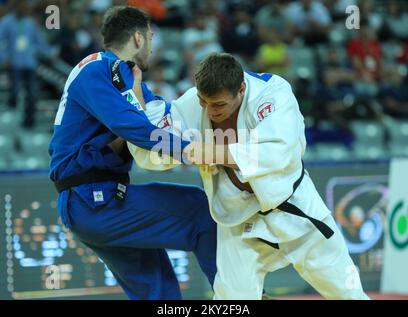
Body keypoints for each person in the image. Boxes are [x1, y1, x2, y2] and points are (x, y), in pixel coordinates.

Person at [129, 53, 370, 300]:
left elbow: (277, 152)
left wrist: (213, 152)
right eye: (204, 102)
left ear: (241, 89)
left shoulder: (272, 92)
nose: (210, 111)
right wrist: (134, 92)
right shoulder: (194, 102)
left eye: (219, 105)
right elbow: (149, 147)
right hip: (238, 222)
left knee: (349, 294)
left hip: (296, 212)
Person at [48, 6, 216, 300]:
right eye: (151, 38)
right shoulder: (98, 68)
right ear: (138, 38)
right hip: (93, 200)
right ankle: (240, 295)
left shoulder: (126, 79)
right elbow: (130, 126)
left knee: (159, 292)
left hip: (99, 199)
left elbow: (163, 116)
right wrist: (190, 150)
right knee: (201, 211)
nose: (153, 46)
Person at [0, 1, 53, 128]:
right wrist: (4, 57)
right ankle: (11, 117)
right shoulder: (6, 22)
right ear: (17, 6)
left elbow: (39, 41)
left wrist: (49, 53)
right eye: (22, 6)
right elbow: (0, 41)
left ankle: (29, 122)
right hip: (15, 64)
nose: (25, 9)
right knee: (15, 92)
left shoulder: (30, 23)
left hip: (29, 64)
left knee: (32, 93)